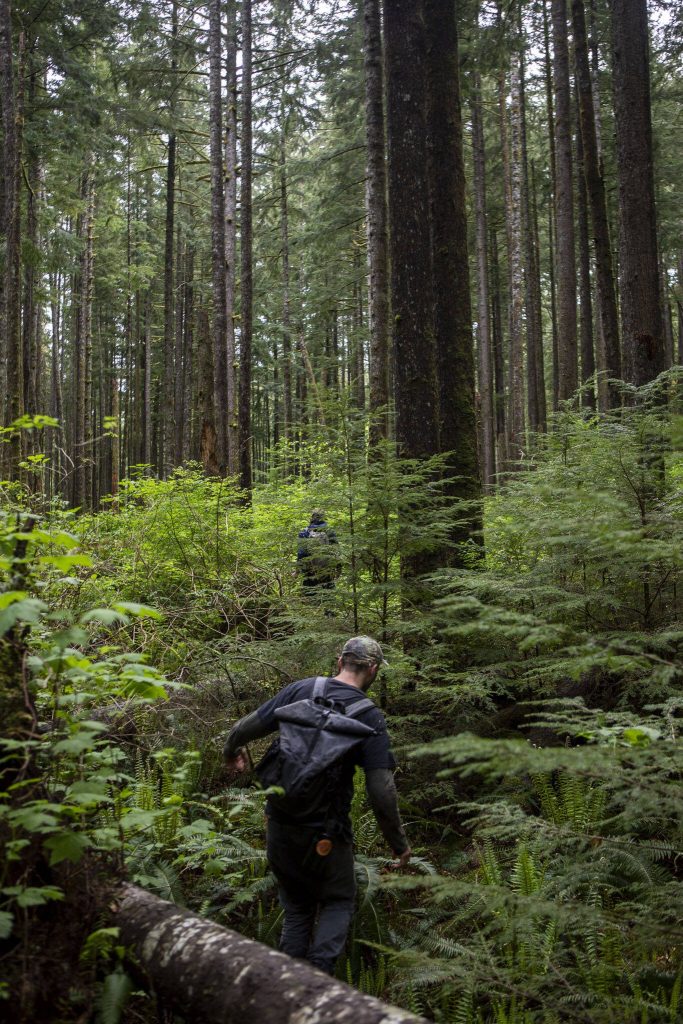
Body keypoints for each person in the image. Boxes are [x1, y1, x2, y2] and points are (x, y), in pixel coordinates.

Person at [223, 636, 411, 975]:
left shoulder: (300, 690)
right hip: (327, 833)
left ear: (340, 661)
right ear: (372, 670)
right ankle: (318, 983)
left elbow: (244, 728)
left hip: (279, 824)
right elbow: (381, 789)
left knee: (296, 908)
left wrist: (231, 751)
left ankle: (288, 988)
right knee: (338, 900)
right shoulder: (369, 718)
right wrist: (399, 844)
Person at [297, 509, 340, 595]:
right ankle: (329, 607)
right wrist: (338, 569)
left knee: (310, 596)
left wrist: (297, 571)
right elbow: (336, 551)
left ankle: (311, 607)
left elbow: (301, 554)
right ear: (323, 517)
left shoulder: (304, 532)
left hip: (310, 571)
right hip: (327, 571)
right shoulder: (330, 532)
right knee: (328, 596)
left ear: (312, 517)